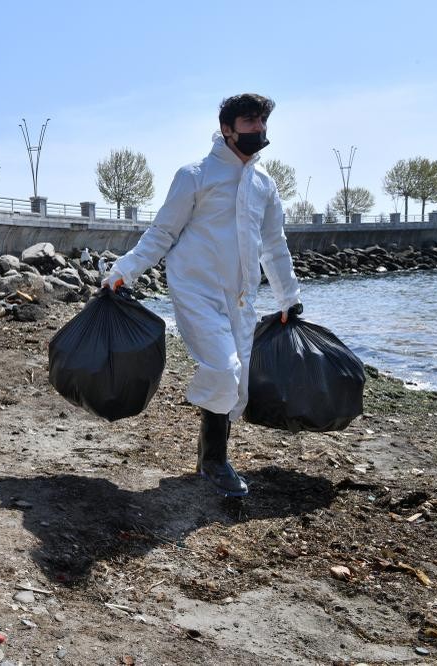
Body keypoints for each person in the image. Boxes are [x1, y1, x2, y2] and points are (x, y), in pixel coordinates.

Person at [101, 93, 302, 497]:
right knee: (224, 368)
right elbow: (163, 232)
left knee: (238, 381)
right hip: (195, 288)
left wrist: (288, 298)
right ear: (227, 129)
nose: (258, 130)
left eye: (262, 122)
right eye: (249, 122)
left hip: (242, 296)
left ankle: (210, 456)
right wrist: (124, 272)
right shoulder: (196, 175)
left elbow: (274, 244)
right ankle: (215, 463)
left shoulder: (264, 185)